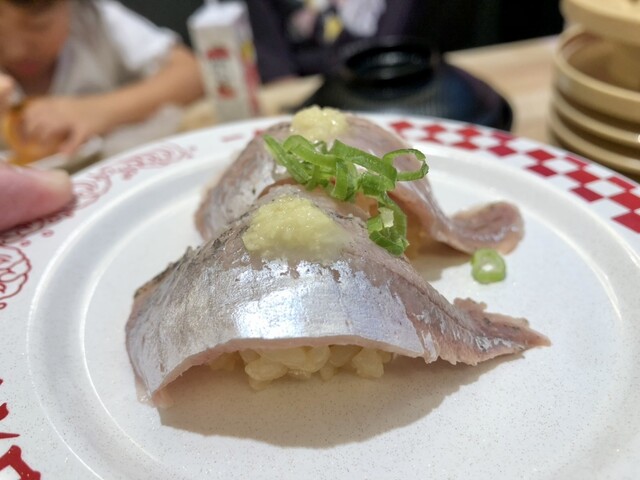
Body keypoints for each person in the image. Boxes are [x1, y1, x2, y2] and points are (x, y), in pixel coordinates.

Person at [0, 0, 205, 232]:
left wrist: (96, 110)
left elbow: (191, 72)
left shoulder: (95, 17)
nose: (17, 49)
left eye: (38, 26)